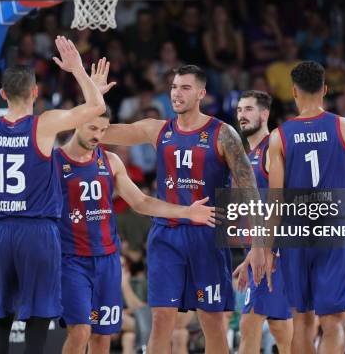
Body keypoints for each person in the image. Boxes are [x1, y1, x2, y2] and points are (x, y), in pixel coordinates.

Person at [0, 36, 110, 354]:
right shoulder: (44, 124)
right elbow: (97, 107)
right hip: (38, 232)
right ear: (35, 92)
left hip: (0, 232)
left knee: (0, 318)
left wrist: (1, 217)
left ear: (2, 94)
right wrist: (79, 71)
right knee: (39, 317)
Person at [57, 60, 217, 354]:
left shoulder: (111, 161)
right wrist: (89, 92)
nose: (98, 135)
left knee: (102, 339)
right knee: (80, 332)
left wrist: (185, 211)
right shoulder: (54, 161)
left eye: (102, 130)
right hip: (70, 259)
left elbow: (141, 202)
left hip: (106, 259)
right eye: (92, 127)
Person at [101, 64, 262, 354]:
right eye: (174, 87)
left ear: (201, 93)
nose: (177, 93)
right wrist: (94, 99)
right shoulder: (157, 128)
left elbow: (250, 190)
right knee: (161, 319)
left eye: (185, 88)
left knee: (212, 322)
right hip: (167, 234)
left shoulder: (223, 134)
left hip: (207, 236)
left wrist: (258, 244)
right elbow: (100, 133)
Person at [266, 61, 345, 353]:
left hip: (294, 235)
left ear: (294, 91)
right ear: (326, 89)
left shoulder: (279, 136)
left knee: (302, 320)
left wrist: (267, 247)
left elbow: (275, 199)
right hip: (334, 231)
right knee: (332, 323)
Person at [231, 90, 293, 354]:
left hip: (274, 251)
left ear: (264, 113)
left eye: (248, 109)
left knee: (249, 323)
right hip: (260, 250)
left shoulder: (273, 147)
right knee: (280, 327)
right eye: (239, 110)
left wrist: (268, 250)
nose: (242, 116)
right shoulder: (248, 154)